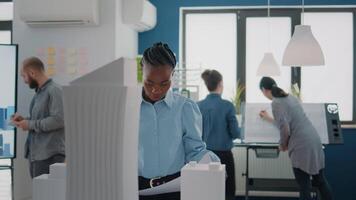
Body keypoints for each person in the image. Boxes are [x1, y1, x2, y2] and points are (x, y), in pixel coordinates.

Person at [139, 43, 220, 200]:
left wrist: (211, 162)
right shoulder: (129, 109)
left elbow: (195, 151)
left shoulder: (185, 107)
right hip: (137, 190)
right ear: (141, 71)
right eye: (149, 82)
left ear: (173, 75)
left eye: (164, 83)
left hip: (174, 189)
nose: (156, 89)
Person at [258, 77, 333, 200]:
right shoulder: (290, 97)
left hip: (301, 144)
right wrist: (268, 118)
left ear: (264, 90)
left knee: (304, 186)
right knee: (320, 181)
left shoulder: (276, 103)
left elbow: (285, 129)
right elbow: (286, 123)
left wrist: (282, 144)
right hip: (313, 139)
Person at [12, 57, 65, 178]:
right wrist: (24, 120)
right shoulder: (39, 93)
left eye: (23, 76)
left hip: (50, 155)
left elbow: (58, 120)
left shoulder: (55, 90)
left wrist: (29, 124)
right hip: (37, 154)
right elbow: (40, 119)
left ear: (32, 73)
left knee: (48, 195)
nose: (24, 81)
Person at [198, 69, 240, 200]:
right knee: (227, 191)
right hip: (224, 157)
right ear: (220, 83)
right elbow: (235, 133)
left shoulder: (198, 105)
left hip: (204, 156)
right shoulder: (227, 106)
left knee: (206, 191)